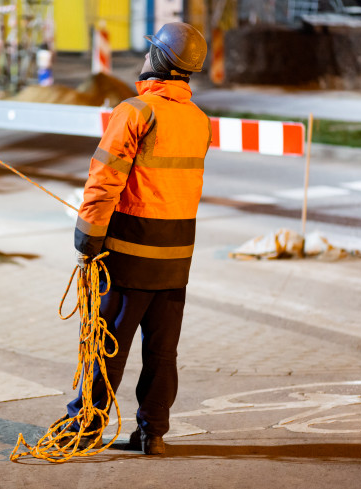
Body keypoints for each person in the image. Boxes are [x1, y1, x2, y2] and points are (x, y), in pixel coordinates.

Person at [66, 22, 211, 456]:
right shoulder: (199, 120)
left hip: (129, 256)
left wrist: (87, 236)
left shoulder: (135, 111)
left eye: (150, 51)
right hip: (175, 260)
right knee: (162, 355)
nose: (145, 56)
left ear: (160, 60)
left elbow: (104, 180)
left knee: (106, 346)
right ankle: (154, 433)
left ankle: (87, 428)